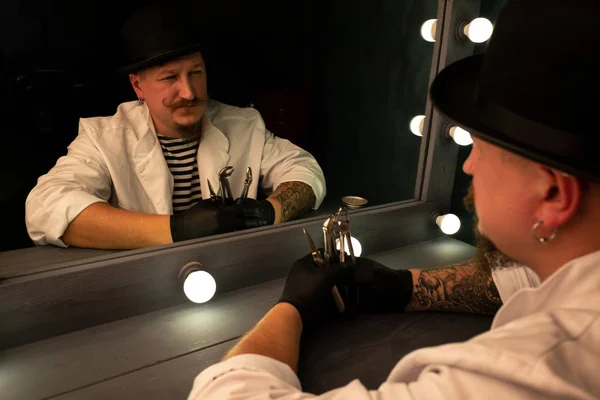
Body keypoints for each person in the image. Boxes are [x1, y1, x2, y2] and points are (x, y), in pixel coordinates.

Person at [187, 0, 600, 398]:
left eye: (480, 148)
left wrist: (290, 307)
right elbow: (521, 280)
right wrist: (398, 286)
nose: (469, 167)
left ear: (552, 194)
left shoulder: (539, 369)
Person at [24, 1, 325, 249]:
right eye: (170, 78)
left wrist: (266, 211)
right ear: (138, 86)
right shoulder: (103, 138)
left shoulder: (244, 124)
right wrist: (177, 229)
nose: (189, 92)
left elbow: (305, 171)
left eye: (196, 72)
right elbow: (44, 207)